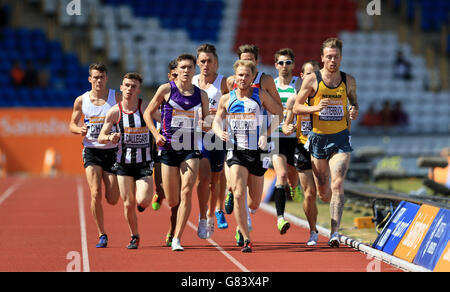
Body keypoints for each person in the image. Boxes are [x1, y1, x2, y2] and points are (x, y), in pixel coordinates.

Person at [293, 38, 359, 247]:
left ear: (341, 57)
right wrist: (315, 108)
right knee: (323, 192)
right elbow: (296, 107)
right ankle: (327, 214)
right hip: (318, 140)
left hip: (340, 139)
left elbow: (354, 100)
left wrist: (354, 109)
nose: (332, 60)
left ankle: (334, 233)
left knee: (337, 184)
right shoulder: (312, 80)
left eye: (336, 56)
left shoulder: (349, 80)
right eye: (328, 56)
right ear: (322, 58)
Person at [213, 60, 283, 252]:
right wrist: (220, 133)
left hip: (259, 152)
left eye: (247, 75)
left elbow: (280, 114)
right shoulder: (227, 99)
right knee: (238, 193)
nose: (243, 79)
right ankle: (246, 238)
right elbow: (216, 121)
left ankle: (242, 221)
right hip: (236, 151)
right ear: (234, 77)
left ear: (253, 77)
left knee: (253, 202)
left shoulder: (260, 96)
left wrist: (265, 134)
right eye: (240, 75)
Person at [144, 54, 209, 251]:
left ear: (194, 70)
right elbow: (148, 113)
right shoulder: (166, 90)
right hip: (169, 148)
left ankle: (177, 238)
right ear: (176, 71)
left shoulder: (201, 95)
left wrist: (205, 124)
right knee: (173, 199)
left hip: (190, 148)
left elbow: (207, 122)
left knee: (187, 192)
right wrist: (156, 135)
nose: (187, 70)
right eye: (183, 67)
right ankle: (163, 195)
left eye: (190, 67)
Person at [98, 72, 154, 249]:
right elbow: (101, 136)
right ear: (121, 88)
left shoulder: (145, 107)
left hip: (144, 163)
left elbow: (164, 121)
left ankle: (142, 204)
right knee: (128, 203)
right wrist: (110, 137)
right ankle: (134, 236)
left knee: (143, 200)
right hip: (123, 164)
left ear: (138, 90)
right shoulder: (114, 112)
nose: (129, 89)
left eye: (133, 86)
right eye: (127, 85)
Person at [69, 63, 121, 248]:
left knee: (113, 199)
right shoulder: (81, 100)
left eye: (102, 77)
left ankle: (114, 191)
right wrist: (79, 129)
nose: (99, 80)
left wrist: (119, 134)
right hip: (91, 150)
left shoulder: (117, 97)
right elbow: (72, 124)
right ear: (90, 79)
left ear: (106, 78)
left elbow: (129, 115)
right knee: (95, 193)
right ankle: (102, 234)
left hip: (112, 152)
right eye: (95, 77)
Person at [193, 44, 229, 239]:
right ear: (198, 62)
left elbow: (232, 106)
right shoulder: (191, 82)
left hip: (217, 136)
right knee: (203, 178)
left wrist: (217, 114)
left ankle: (213, 213)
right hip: (197, 137)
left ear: (216, 63)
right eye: (203, 61)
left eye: (210, 61)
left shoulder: (223, 83)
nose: (206, 65)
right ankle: (202, 215)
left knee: (215, 180)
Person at [284, 60, 322, 246]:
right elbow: (285, 126)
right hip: (302, 148)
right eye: (309, 74)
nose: (312, 78)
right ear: (301, 76)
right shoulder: (295, 99)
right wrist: (288, 127)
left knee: (325, 194)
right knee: (309, 193)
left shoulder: (325, 98)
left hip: (323, 149)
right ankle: (313, 231)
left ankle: (333, 229)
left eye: (316, 74)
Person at [271, 48, 303, 235]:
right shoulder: (271, 86)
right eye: (281, 63)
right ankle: (281, 218)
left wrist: (292, 125)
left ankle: (295, 186)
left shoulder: (297, 84)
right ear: (276, 65)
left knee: (292, 175)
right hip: (277, 138)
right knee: (281, 175)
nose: (284, 66)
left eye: (288, 62)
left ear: (293, 65)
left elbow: (301, 108)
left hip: (294, 138)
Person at [150, 59, 180, 247]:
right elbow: (149, 111)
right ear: (170, 76)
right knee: (164, 191)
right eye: (175, 75)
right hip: (163, 143)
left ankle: (173, 231)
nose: (179, 78)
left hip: (184, 145)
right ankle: (158, 194)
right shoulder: (165, 91)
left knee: (179, 196)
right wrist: (160, 125)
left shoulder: (190, 93)